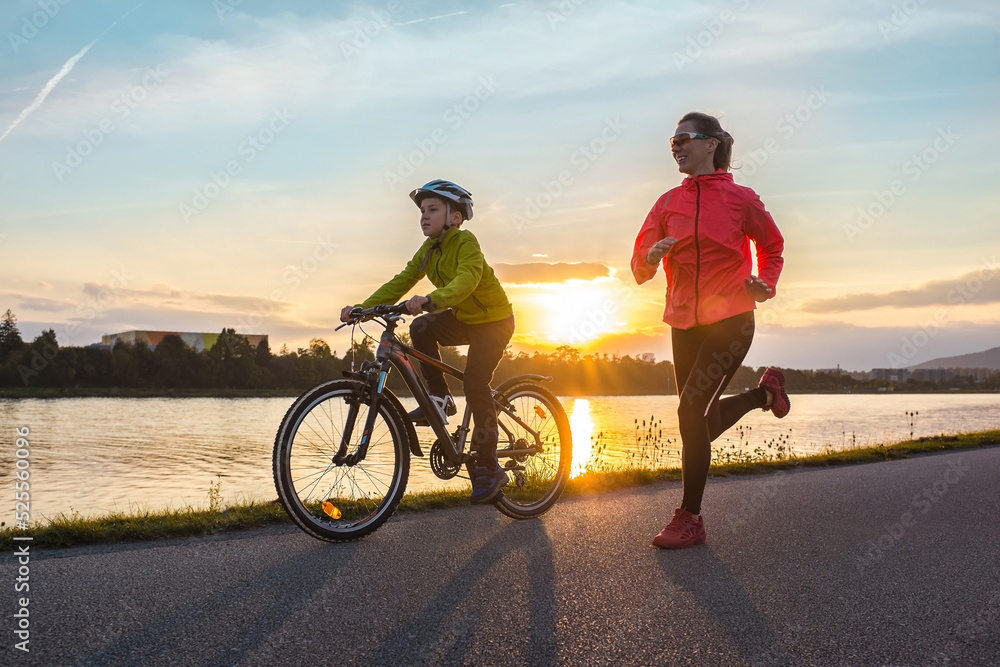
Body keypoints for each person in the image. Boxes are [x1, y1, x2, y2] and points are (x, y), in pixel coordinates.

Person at [631, 112, 789, 549]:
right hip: (683, 322)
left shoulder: (741, 199)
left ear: (711, 145)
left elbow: (772, 246)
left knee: (690, 412)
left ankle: (691, 517)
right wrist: (650, 256)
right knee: (695, 418)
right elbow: (638, 264)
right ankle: (764, 394)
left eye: (684, 139)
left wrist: (764, 284)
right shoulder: (666, 203)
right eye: (672, 142)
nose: (676, 147)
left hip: (731, 320)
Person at [340, 179, 515, 505]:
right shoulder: (428, 250)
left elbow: (468, 279)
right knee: (420, 329)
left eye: (432, 209)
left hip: (494, 322)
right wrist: (362, 309)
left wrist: (433, 299)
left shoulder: (466, 243)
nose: (424, 216)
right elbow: (402, 281)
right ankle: (439, 397)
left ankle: (490, 467)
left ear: (456, 217)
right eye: (422, 210)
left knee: (476, 384)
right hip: (464, 319)